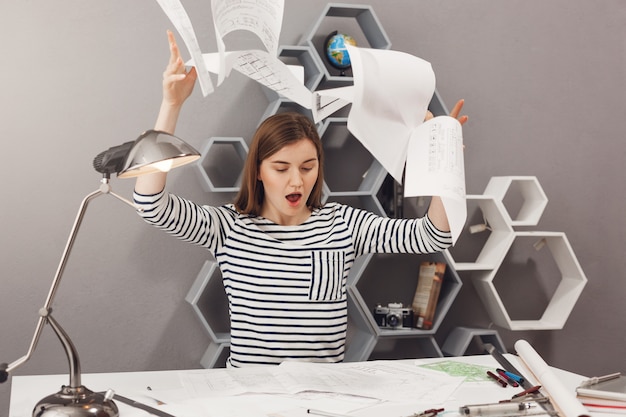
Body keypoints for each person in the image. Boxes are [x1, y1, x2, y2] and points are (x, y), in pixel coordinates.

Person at [134, 31, 468, 367]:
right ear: (259, 172)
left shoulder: (343, 223)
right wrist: (171, 104)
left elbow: (434, 234)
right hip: (249, 395)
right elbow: (151, 204)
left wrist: (444, 160)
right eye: (281, 168)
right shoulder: (228, 226)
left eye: (308, 167)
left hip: (322, 398)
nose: (297, 180)